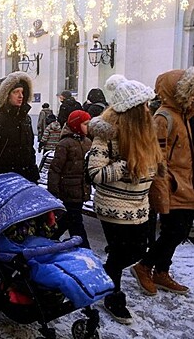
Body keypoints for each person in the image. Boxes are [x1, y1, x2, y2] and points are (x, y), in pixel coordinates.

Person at [86, 75, 163, 324]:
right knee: (121, 253)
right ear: (131, 111)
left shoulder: (145, 134)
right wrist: (126, 165)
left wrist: (154, 169)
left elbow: (150, 166)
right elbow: (95, 174)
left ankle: (105, 282)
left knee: (137, 250)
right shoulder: (107, 136)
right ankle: (113, 296)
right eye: (142, 106)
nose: (147, 110)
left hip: (140, 206)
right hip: (113, 206)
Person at [132, 67, 194, 296]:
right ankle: (144, 266)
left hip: (185, 185)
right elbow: (158, 161)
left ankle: (161, 271)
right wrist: (162, 195)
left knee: (179, 231)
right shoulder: (164, 117)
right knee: (174, 232)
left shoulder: (183, 116)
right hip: (173, 186)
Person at [0, 71, 39, 182]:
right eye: (16, 92)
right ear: (5, 95)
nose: (21, 96)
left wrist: (33, 176)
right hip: (2, 179)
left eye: (22, 92)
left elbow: (29, 150)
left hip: (24, 178)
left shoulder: (25, 118)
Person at [47, 110, 92, 248]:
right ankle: (84, 248)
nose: (88, 127)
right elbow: (55, 169)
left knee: (69, 219)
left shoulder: (87, 142)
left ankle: (50, 238)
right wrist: (53, 190)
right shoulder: (65, 144)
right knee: (76, 221)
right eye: (85, 124)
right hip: (68, 189)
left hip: (80, 189)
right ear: (77, 125)